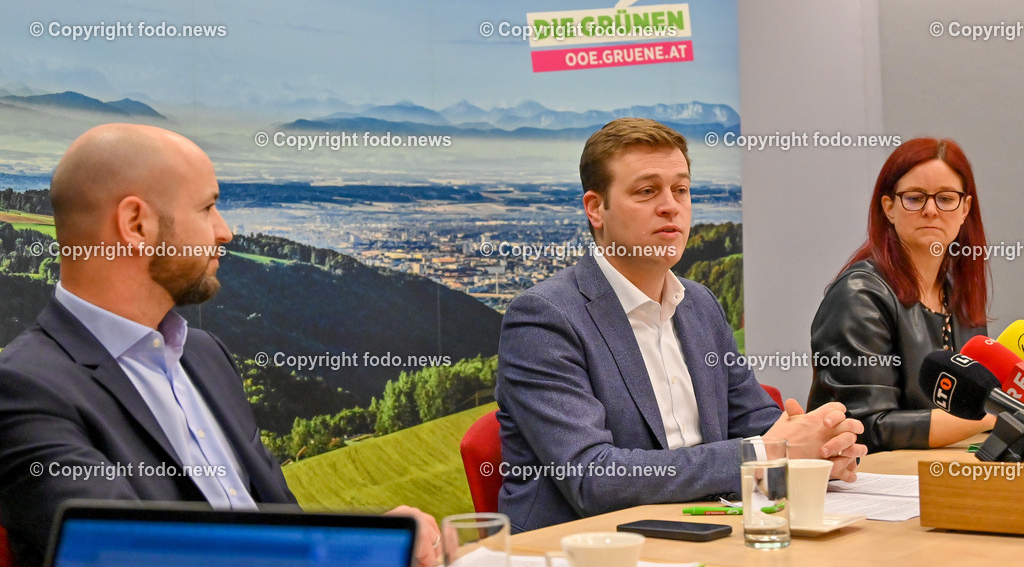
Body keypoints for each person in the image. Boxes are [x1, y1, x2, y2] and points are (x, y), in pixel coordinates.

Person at [0, 124, 440, 567]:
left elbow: (284, 527)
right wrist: (366, 555)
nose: (225, 232)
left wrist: (382, 542)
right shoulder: (23, 391)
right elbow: (137, 559)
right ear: (136, 224)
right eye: (208, 207)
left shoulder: (205, 355)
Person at [496, 118, 866, 533]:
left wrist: (818, 446)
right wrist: (768, 453)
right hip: (586, 547)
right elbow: (595, 477)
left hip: (704, 532)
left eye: (681, 189)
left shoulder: (699, 305)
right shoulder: (544, 318)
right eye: (647, 191)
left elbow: (758, 424)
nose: (671, 205)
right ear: (596, 209)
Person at [807, 138, 995, 453]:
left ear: (965, 209)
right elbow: (867, 425)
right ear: (889, 207)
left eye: (946, 199)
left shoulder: (960, 296)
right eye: (915, 198)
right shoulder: (859, 295)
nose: (931, 210)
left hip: (942, 472)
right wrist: (994, 416)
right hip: (869, 483)